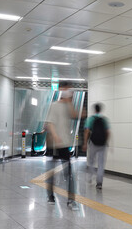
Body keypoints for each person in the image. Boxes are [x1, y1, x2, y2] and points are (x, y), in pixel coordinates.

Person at [45, 81, 79, 209]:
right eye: (66, 89)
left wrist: (69, 102)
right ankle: (50, 196)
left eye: (69, 89)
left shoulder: (69, 107)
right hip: (54, 144)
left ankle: (71, 200)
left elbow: (75, 115)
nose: (68, 91)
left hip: (64, 144)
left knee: (69, 173)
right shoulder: (54, 106)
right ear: (61, 90)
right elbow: (50, 123)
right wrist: (55, 136)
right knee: (52, 173)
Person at [82, 103, 110, 190]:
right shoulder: (105, 120)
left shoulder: (90, 119)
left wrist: (85, 143)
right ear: (101, 110)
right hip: (102, 144)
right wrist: (106, 141)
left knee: (91, 161)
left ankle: (91, 176)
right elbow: (108, 132)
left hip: (93, 143)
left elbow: (86, 131)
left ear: (94, 110)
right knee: (101, 163)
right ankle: (99, 183)